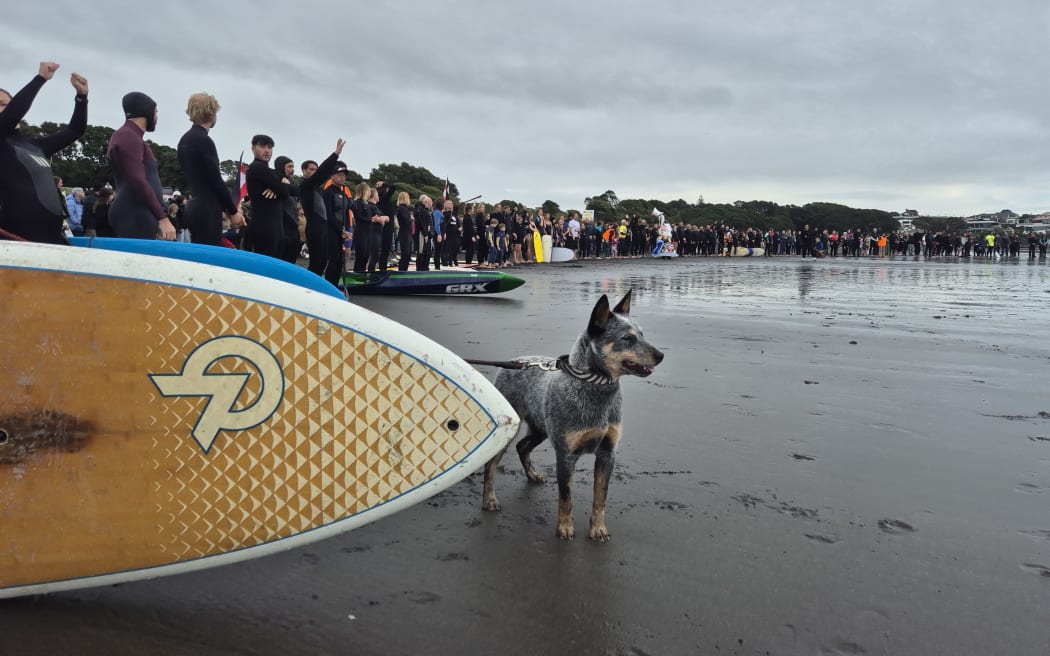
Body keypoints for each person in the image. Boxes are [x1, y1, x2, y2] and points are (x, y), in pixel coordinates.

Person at [0, 61, 88, 243]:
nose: (5, 109)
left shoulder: (36, 145)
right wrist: (40, 79)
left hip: (51, 239)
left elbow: (75, 130)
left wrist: (81, 97)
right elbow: (11, 115)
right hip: (16, 241)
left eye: (5, 104)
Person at [176, 93, 244, 246]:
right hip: (207, 208)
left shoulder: (184, 140)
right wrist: (232, 212)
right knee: (208, 257)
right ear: (211, 113)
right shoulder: (204, 141)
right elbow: (216, 181)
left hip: (194, 204)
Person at [107, 91, 174, 239]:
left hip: (137, 212)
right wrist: (162, 218)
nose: (156, 117)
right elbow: (137, 180)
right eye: (155, 112)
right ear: (148, 113)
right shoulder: (128, 136)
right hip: (134, 214)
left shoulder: (130, 136)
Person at [299, 139, 346, 278]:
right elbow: (323, 174)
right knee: (315, 263)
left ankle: (315, 290)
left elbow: (322, 174)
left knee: (323, 262)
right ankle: (307, 289)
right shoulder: (306, 186)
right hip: (314, 229)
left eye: (315, 169)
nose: (314, 172)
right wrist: (335, 154)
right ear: (303, 171)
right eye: (311, 169)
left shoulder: (317, 188)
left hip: (323, 229)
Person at [244, 134, 289, 258]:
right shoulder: (257, 167)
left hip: (274, 226)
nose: (267, 150)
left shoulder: (268, 171)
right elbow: (285, 192)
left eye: (270, 147)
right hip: (264, 226)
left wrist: (279, 184)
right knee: (266, 269)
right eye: (262, 146)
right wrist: (281, 185)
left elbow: (288, 191)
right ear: (253, 148)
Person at [321, 162, 353, 285]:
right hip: (331, 231)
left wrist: (346, 231)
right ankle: (329, 287)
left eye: (344, 175)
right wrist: (341, 231)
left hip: (341, 231)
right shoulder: (328, 192)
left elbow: (345, 213)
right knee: (333, 260)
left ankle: (334, 286)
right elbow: (329, 215)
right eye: (339, 175)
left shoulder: (343, 193)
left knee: (340, 260)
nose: (342, 177)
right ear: (332, 176)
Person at [272, 155, 300, 263]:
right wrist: (279, 182)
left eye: (293, 167)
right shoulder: (274, 182)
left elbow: (298, 192)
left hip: (293, 229)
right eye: (289, 166)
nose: (292, 170)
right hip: (282, 230)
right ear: (280, 167)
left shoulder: (290, 184)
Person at [374, 181, 396, 271]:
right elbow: (393, 187)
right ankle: (382, 269)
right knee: (385, 250)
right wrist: (384, 183)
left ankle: (382, 267)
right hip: (386, 227)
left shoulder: (381, 199)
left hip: (385, 226)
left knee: (384, 250)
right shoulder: (384, 198)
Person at [394, 191, 414, 271]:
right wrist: (411, 219)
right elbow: (406, 220)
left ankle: (403, 269)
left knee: (407, 253)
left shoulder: (403, 208)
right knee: (405, 254)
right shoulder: (402, 209)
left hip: (405, 232)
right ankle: (402, 270)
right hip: (404, 232)